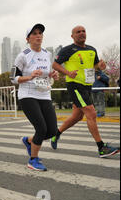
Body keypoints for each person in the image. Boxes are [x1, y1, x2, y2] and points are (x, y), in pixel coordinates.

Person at [52, 25, 119, 157]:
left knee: (77, 116)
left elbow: (95, 67)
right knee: (91, 112)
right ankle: (101, 147)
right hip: (75, 85)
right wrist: (67, 72)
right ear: (72, 36)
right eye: (78, 32)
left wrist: (100, 66)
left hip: (88, 86)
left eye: (83, 31)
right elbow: (55, 64)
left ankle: (56, 133)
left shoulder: (92, 49)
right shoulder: (68, 50)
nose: (81, 33)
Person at [11, 24, 59, 171]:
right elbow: (12, 78)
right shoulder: (23, 55)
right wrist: (29, 76)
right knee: (41, 128)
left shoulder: (47, 54)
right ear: (28, 38)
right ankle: (33, 159)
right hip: (28, 95)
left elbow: (49, 73)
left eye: (40, 33)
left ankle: (28, 141)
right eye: (35, 34)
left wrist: (53, 75)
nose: (38, 36)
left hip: (44, 94)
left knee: (52, 131)